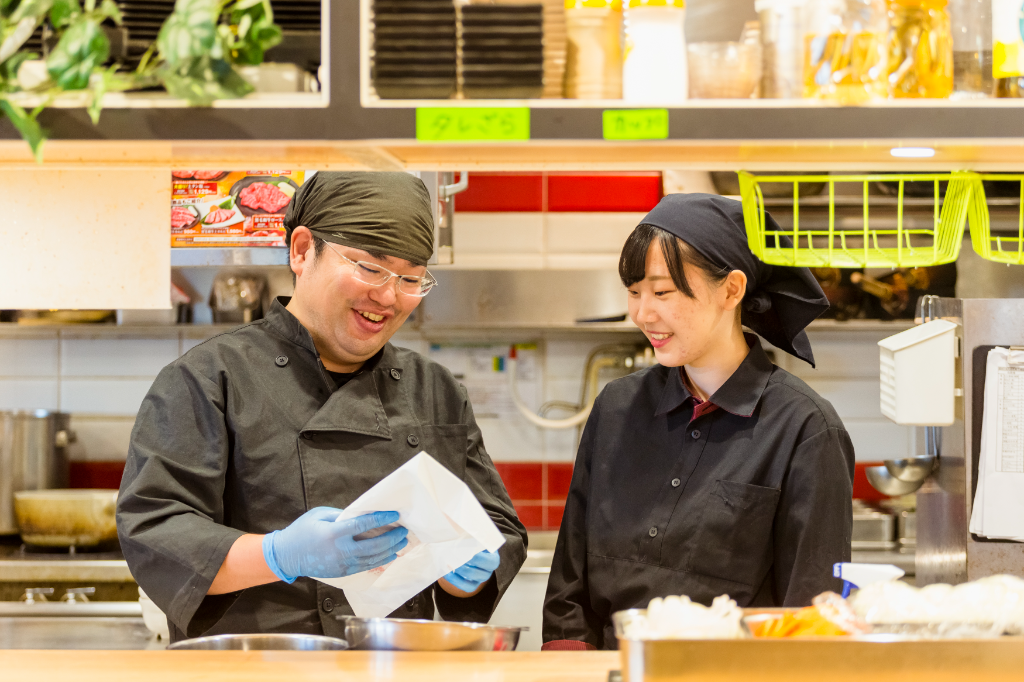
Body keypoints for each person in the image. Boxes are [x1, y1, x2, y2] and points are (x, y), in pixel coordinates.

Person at [118, 172, 527, 642]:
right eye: (370, 268)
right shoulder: (208, 378)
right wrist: (280, 554)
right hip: (252, 666)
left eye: (411, 278)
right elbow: (155, 532)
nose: (388, 297)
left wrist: (459, 573)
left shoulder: (432, 387)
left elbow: (495, 523)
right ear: (302, 250)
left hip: (391, 665)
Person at [542, 194, 854, 650]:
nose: (643, 313)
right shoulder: (616, 407)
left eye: (662, 292)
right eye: (634, 292)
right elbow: (569, 589)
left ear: (731, 290)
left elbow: (810, 621)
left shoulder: (806, 429)